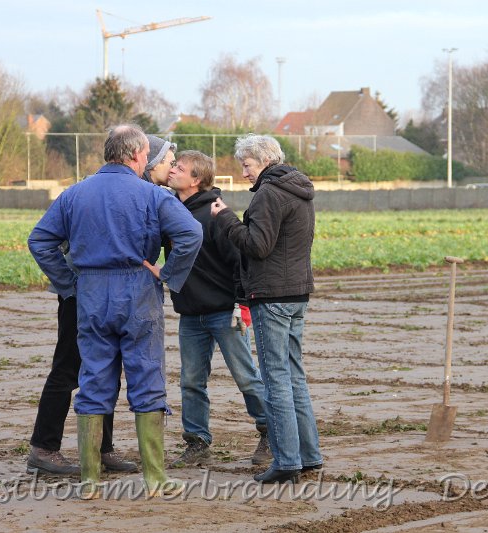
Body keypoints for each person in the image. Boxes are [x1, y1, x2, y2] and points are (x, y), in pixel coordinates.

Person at [28, 123, 203, 499]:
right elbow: (191, 234)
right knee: (146, 378)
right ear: (138, 154)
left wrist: (70, 284)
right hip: (138, 291)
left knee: (93, 380)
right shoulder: (152, 196)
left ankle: (89, 480)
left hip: (90, 293)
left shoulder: (74, 194)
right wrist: (169, 274)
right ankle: (155, 479)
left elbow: (40, 240)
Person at [210, 134, 322, 484]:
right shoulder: (298, 191)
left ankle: (287, 460)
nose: (244, 172)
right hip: (297, 294)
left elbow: (257, 246)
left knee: (275, 381)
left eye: (246, 164)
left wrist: (226, 218)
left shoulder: (268, 195)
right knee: (294, 376)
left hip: (272, 297)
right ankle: (309, 454)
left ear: (264, 161)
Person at [161, 149, 271, 468]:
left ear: (196, 179)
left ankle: (270, 434)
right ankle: (197, 443)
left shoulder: (216, 213)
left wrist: (241, 303)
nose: (172, 171)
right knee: (191, 380)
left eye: (179, 168)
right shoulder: (170, 211)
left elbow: (239, 260)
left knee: (246, 377)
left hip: (225, 310)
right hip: (190, 312)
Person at [26, 241, 137, 475]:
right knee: (67, 368)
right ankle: (43, 448)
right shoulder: (73, 201)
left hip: (113, 290)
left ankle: (102, 447)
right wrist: (69, 284)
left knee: (107, 368)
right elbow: (40, 240)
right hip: (80, 291)